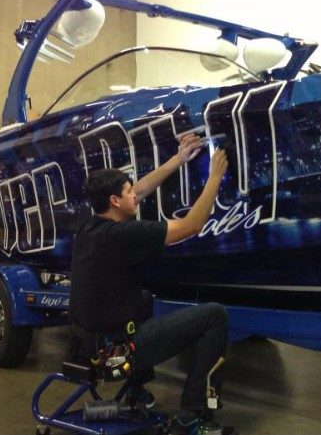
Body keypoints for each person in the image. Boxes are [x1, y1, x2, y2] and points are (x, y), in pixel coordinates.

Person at [69, 133, 230, 434]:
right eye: (128, 192)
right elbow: (192, 225)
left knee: (142, 297)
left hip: (92, 345)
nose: (136, 195)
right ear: (115, 201)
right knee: (215, 316)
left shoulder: (89, 227)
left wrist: (178, 160)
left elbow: (141, 189)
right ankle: (192, 416)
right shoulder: (124, 236)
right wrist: (215, 177)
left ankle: (137, 389)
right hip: (117, 354)